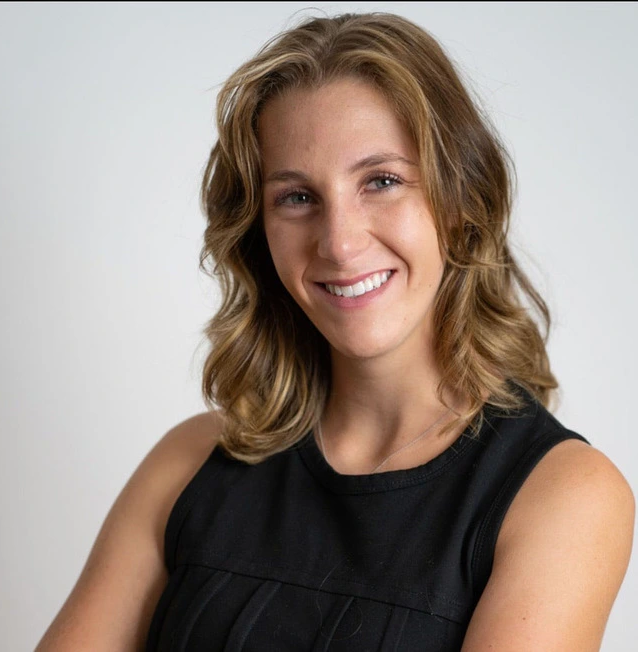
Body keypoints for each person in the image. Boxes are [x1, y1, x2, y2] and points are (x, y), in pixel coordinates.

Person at [36, 12, 634, 651]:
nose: (341, 244)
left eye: (381, 181)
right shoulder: (187, 464)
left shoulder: (563, 498)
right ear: (259, 232)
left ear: (460, 199)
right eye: (296, 197)